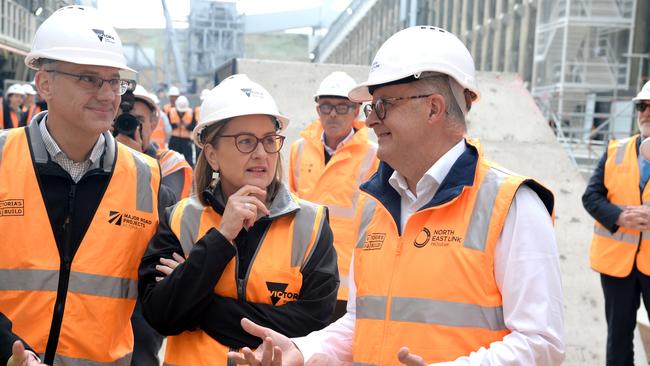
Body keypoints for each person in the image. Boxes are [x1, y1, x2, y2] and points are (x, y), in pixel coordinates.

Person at [228, 26, 565, 365]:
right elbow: (362, 322)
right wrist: (303, 350)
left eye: (383, 105)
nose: (371, 120)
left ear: (434, 109)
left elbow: (541, 342)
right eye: (371, 107)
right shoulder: (376, 205)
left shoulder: (511, 205)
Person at [138, 74, 339, 366]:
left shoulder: (312, 223)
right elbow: (160, 316)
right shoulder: (181, 219)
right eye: (246, 141)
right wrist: (221, 237)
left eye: (269, 140)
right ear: (212, 154)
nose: (261, 153)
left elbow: (313, 324)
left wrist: (198, 302)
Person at [0, 6, 161, 365]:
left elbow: (150, 304)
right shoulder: (1, 159)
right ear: (45, 83)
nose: (107, 95)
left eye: (114, 81)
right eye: (89, 79)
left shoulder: (146, 178)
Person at [289, 71, 378, 320]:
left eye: (342, 107)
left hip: (345, 276)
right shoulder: (299, 150)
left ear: (357, 111)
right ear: (318, 110)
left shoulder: (373, 156)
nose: (333, 114)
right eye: (326, 107)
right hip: (302, 271)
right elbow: (292, 207)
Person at [583, 79, 650, 365]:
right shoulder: (615, 150)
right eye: (641, 106)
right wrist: (620, 216)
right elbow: (591, 196)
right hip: (617, 264)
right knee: (619, 338)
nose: (645, 113)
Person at [116, 85, 193, 200]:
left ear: (153, 123)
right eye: (122, 120)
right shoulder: (100, 158)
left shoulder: (169, 162)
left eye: (138, 120)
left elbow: (167, 208)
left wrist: (136, 162)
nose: (130, 127)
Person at [168, 95, 196, 166]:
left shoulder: (191, 112)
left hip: (186, 141)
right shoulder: (171, 111)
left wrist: (187, 126)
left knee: (189, 161)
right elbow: (167, 126)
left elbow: (193, 127)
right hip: (174, 140)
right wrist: (176, 125)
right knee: (172, 160)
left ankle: (190, 175)